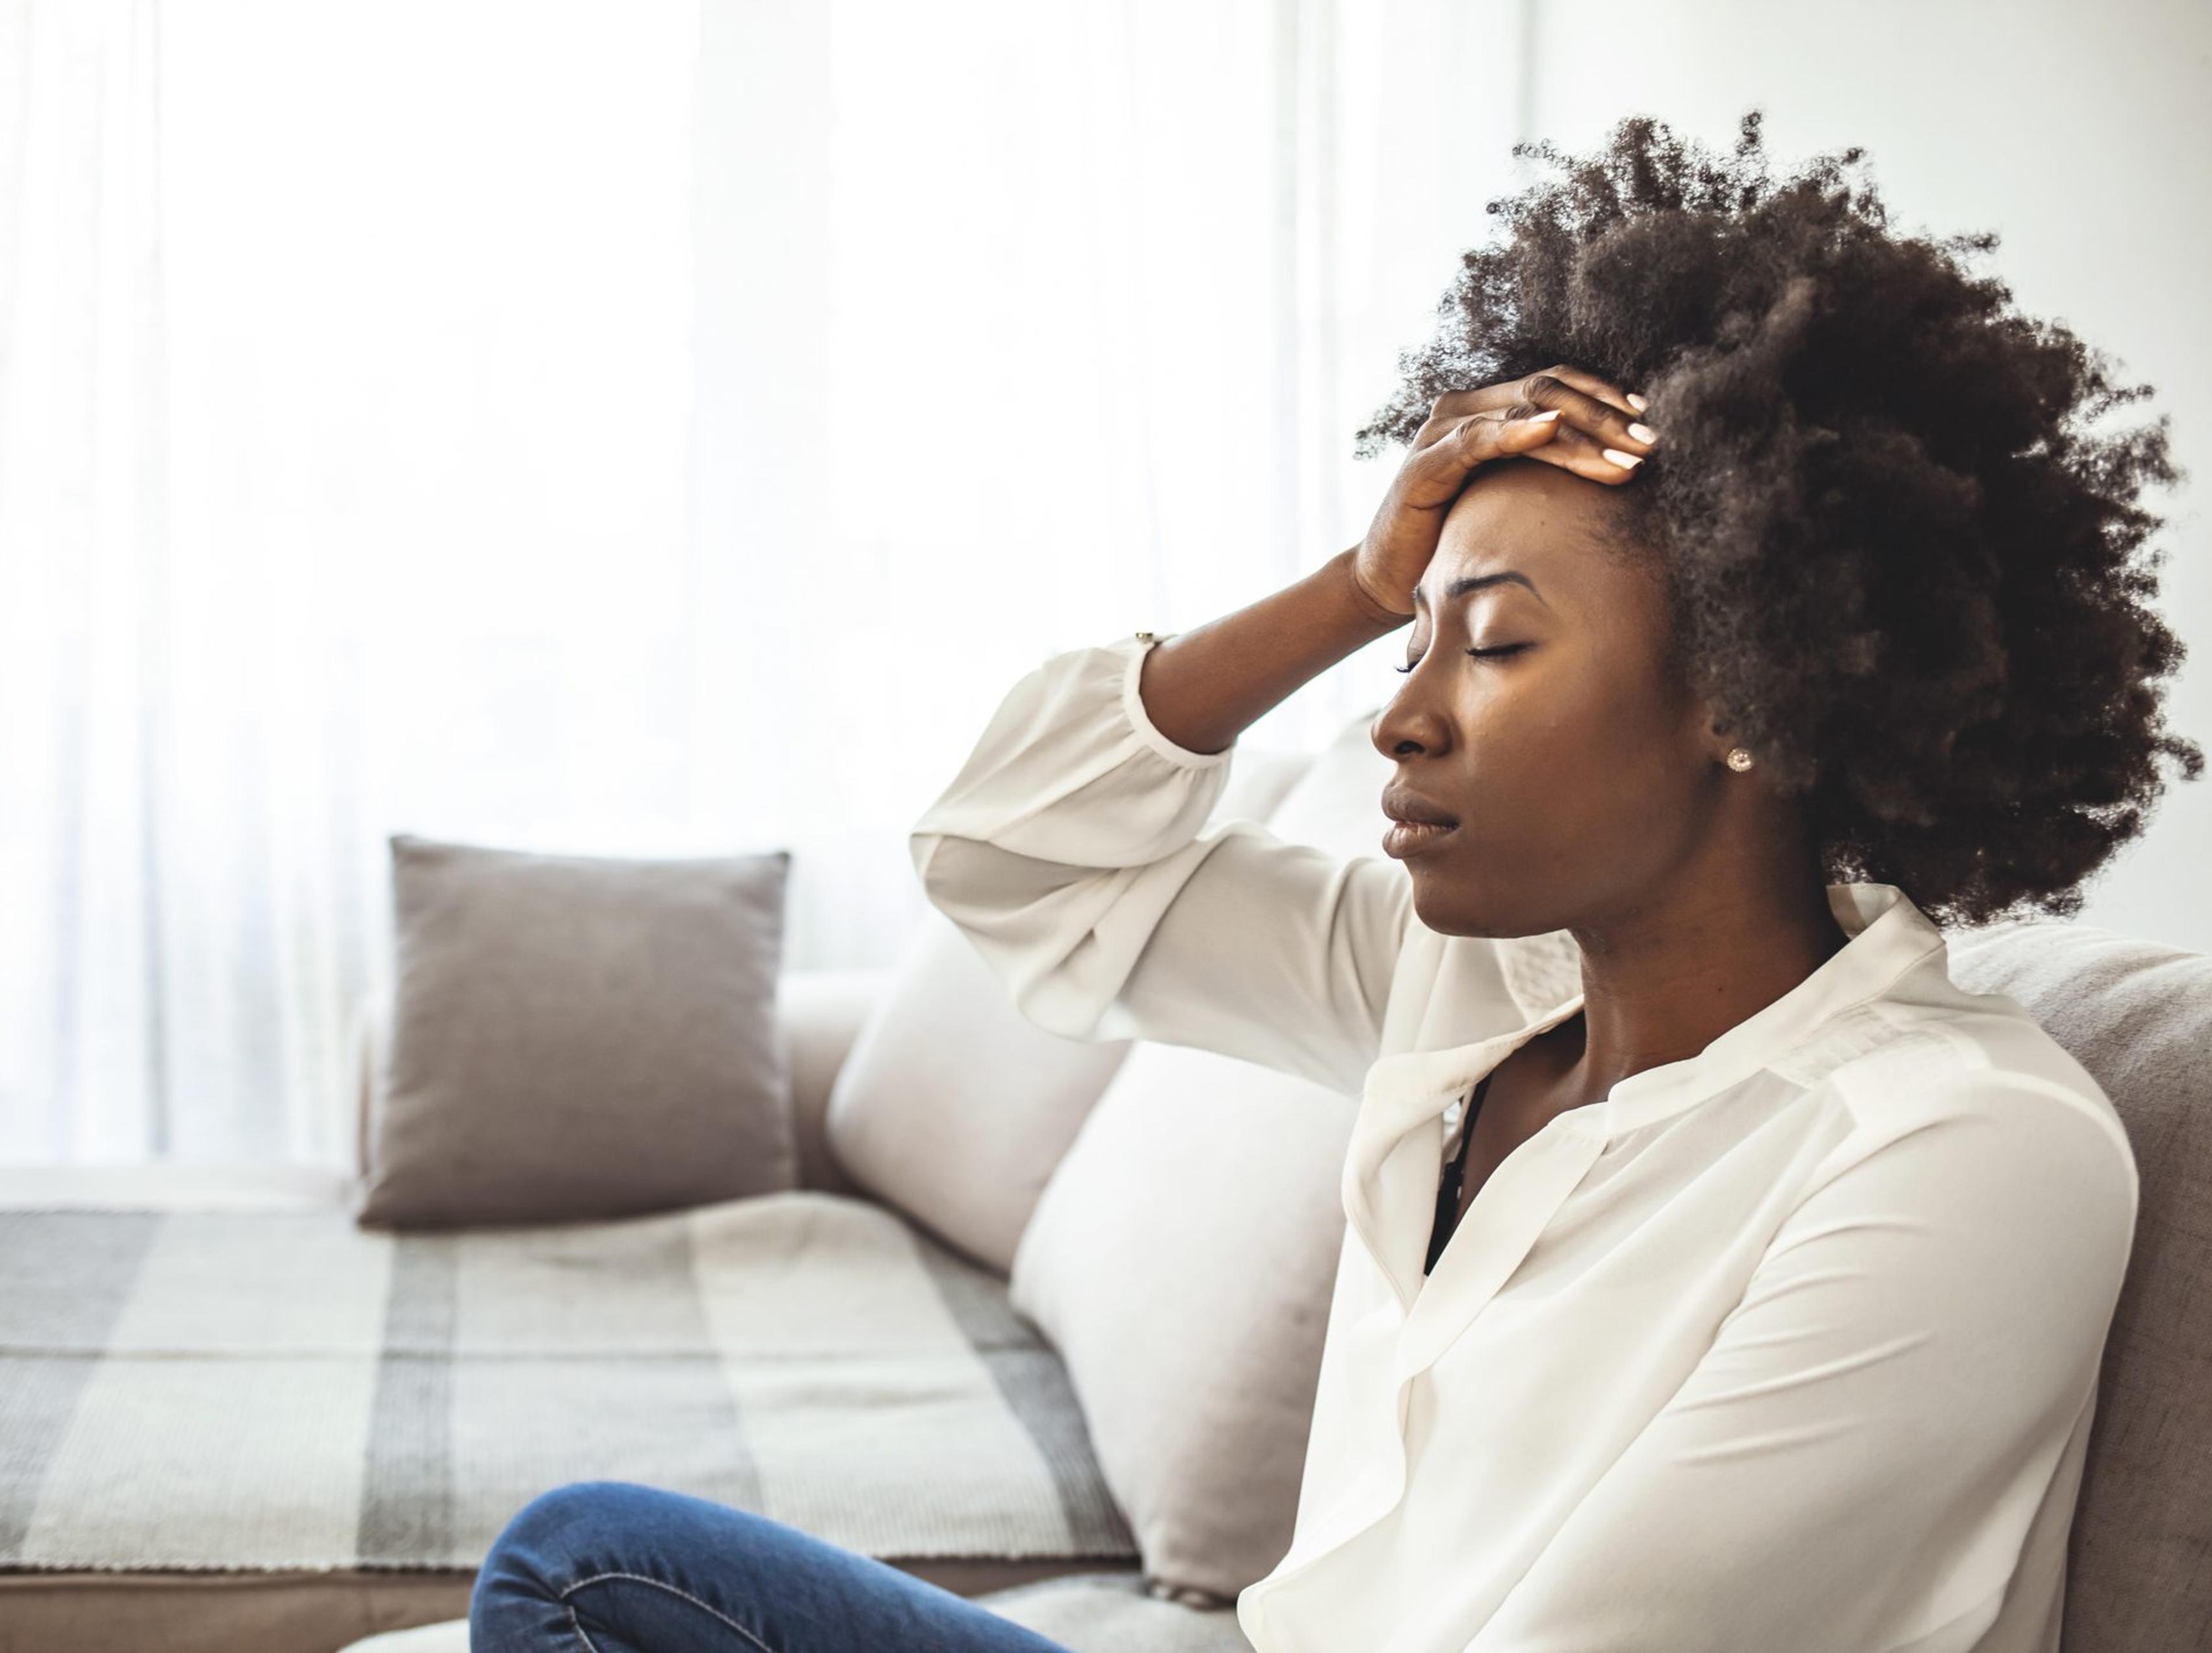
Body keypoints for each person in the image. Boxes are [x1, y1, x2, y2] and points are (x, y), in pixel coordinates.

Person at [471, 112, 2197, 1653]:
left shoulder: (1955, 1151)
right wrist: (1353, 580)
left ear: (1748, 693)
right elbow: (1014, 860)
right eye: (1411, 636)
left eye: (1497, 644)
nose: (1402, 716)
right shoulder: (1470, 994)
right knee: (587, 1569)